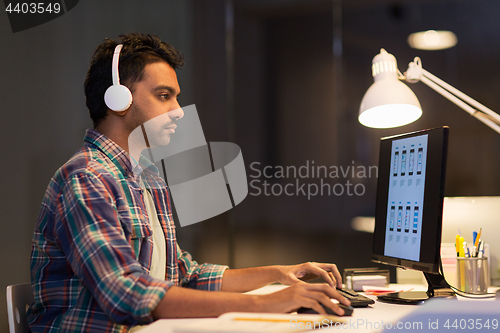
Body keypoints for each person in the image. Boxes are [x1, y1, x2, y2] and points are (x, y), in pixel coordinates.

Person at [28, 32, 349, 332]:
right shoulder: (87, 179)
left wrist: (279, 275)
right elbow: (127, 294)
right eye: (164, 96)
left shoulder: (147, 179)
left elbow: (184, 276)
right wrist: (266, 303)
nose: (179, 111)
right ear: (118, 99)